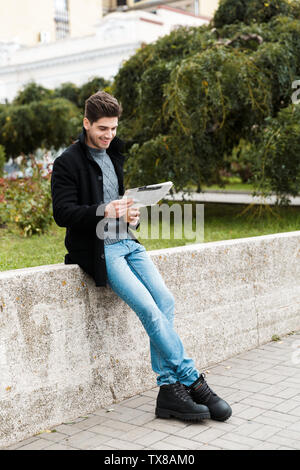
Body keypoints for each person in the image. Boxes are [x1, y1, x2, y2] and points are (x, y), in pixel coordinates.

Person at [51, 91, 232, 423]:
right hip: (101, 249)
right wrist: (103, 210)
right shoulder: (67, 162)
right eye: (103, 129)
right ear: (86, 123)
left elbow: (117, 199)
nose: (109, 136)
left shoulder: (115, 153)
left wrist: (129, 214)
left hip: (128, 242)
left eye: (114, 129)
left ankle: (168, 392)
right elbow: (62, 213)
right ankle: (193, 381)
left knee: (165, 300)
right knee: (149, 310)